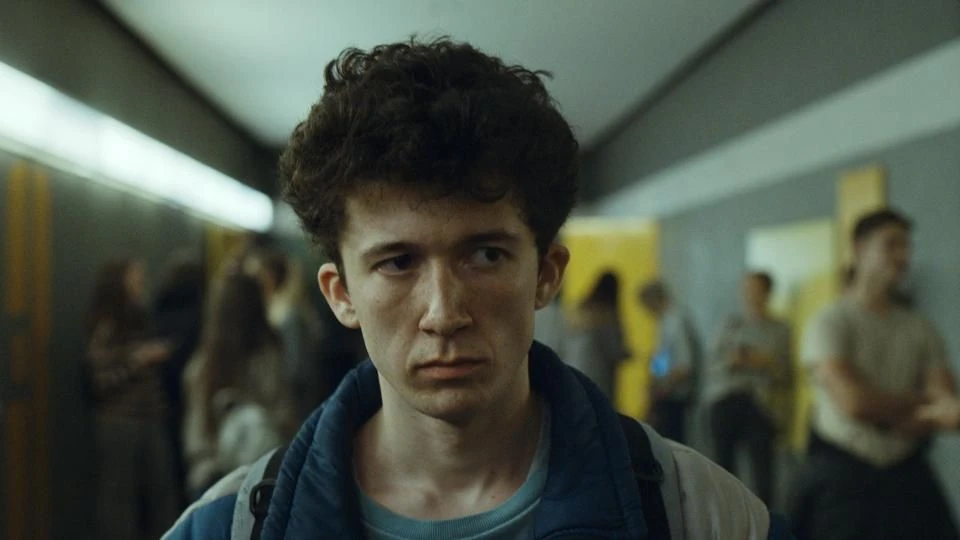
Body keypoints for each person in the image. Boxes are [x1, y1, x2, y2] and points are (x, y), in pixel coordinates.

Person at [164, 37, 791, 539]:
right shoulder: (234, 526)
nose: (444, 313)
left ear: (546, 273)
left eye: (486, 255)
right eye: (397, 263)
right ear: (340, 294)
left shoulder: (700, 515)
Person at [788, 209, 959, 540]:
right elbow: (854, 402)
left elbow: (945, 406)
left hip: (907, 472)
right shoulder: (830, 322)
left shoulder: (920, 328)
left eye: (907, 246)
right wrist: (917, 401)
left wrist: (883, 409)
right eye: (892, 244)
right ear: (860, 248)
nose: (903, 256)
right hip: (842, 475)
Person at [85, 259, 181, 540]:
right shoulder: (107, 325)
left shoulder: (139, 316)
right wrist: (139, 360)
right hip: (120, 421)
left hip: (150, 417)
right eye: (135, 276)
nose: (142, 280)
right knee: (119, 497)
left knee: (161, 492)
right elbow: (100, 380)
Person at [182, 272, 297, 500]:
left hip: (210, 480)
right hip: (262, 479)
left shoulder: (201, 365)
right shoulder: (269, 358)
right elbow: (284, 417)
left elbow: (195, 436)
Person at [703, 272, 791, 504]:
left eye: (755, 289)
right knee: (722, 466)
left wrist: (764, 362)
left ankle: (766, 517)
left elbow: (785, 372)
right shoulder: (730, 324)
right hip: (727, 398)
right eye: (746, 289)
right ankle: (726, 513)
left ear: (767, 293)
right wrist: (733, 360)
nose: (750, 295)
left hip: (761, 402)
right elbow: (712, 362)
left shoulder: (780, 329)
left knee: (763, 470)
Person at [244, 249, 325, 422]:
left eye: (258, 276)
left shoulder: (288, 315)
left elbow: (296, 369)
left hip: (289, 406)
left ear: (271, 276)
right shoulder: (270, 309)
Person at [639, 280, 700, 444]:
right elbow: (662, 360)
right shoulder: (664, 323)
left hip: (674, 396)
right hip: (665, 394)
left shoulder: (676, 322)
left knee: (672, 444)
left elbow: (685, 366)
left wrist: (662, 386)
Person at [564, 272, 630, 399]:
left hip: (574, 371)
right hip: (600, 376)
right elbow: (615, 350)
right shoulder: (608, 316)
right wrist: (630, 354)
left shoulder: (580, 310)